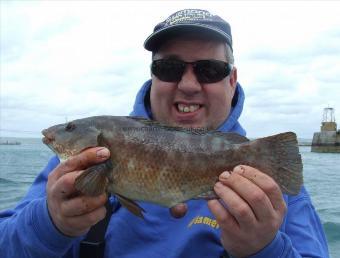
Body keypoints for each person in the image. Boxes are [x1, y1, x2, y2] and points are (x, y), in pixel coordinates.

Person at [0, 9, 329, 258]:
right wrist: (49, 223)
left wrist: (265, 249)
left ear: (232, 80)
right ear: (153, 75)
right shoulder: (74, 171)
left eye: (209, 70)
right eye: (169, 68)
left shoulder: (271, 177)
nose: (188, 84)